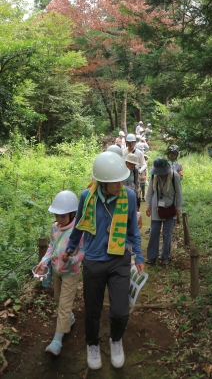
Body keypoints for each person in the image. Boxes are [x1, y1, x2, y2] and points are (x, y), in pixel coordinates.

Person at [62, 151, 144, 371]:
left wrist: (139, 256)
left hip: (119, 260)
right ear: (103, 182)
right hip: (94, 261)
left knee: (120, 311)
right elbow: (78, 226)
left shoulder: (129, 196)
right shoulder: (85, 197)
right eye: (117, 182)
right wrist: (70, 249)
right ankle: (92, 343)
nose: (122, 184)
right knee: (92, 309)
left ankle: (115, 339)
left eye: (122, 179)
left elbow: (133, 230)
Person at [35, 191, 84, 356]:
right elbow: (51, 246)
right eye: (57, 214)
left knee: (63, 305)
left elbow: (83, 252)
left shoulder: (78, 230)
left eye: (63, 215)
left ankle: (57, 341)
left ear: (72, 214)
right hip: (56, 271)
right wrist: (44, 261)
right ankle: (69, 318)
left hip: (71, 272)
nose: (59, 218)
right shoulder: (54, 228)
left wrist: (72, 260)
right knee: (57, 300)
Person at [145, 157, 183, 266]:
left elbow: (179, 193)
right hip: (156, 207)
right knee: (154, 231)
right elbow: (150, 191)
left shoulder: (174, 176)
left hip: (171, 207)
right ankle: (152, 257)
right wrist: (148, 205)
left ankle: (165, 257)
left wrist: (178, 208)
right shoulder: (154, 176)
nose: (161, 174)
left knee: (167, 233)